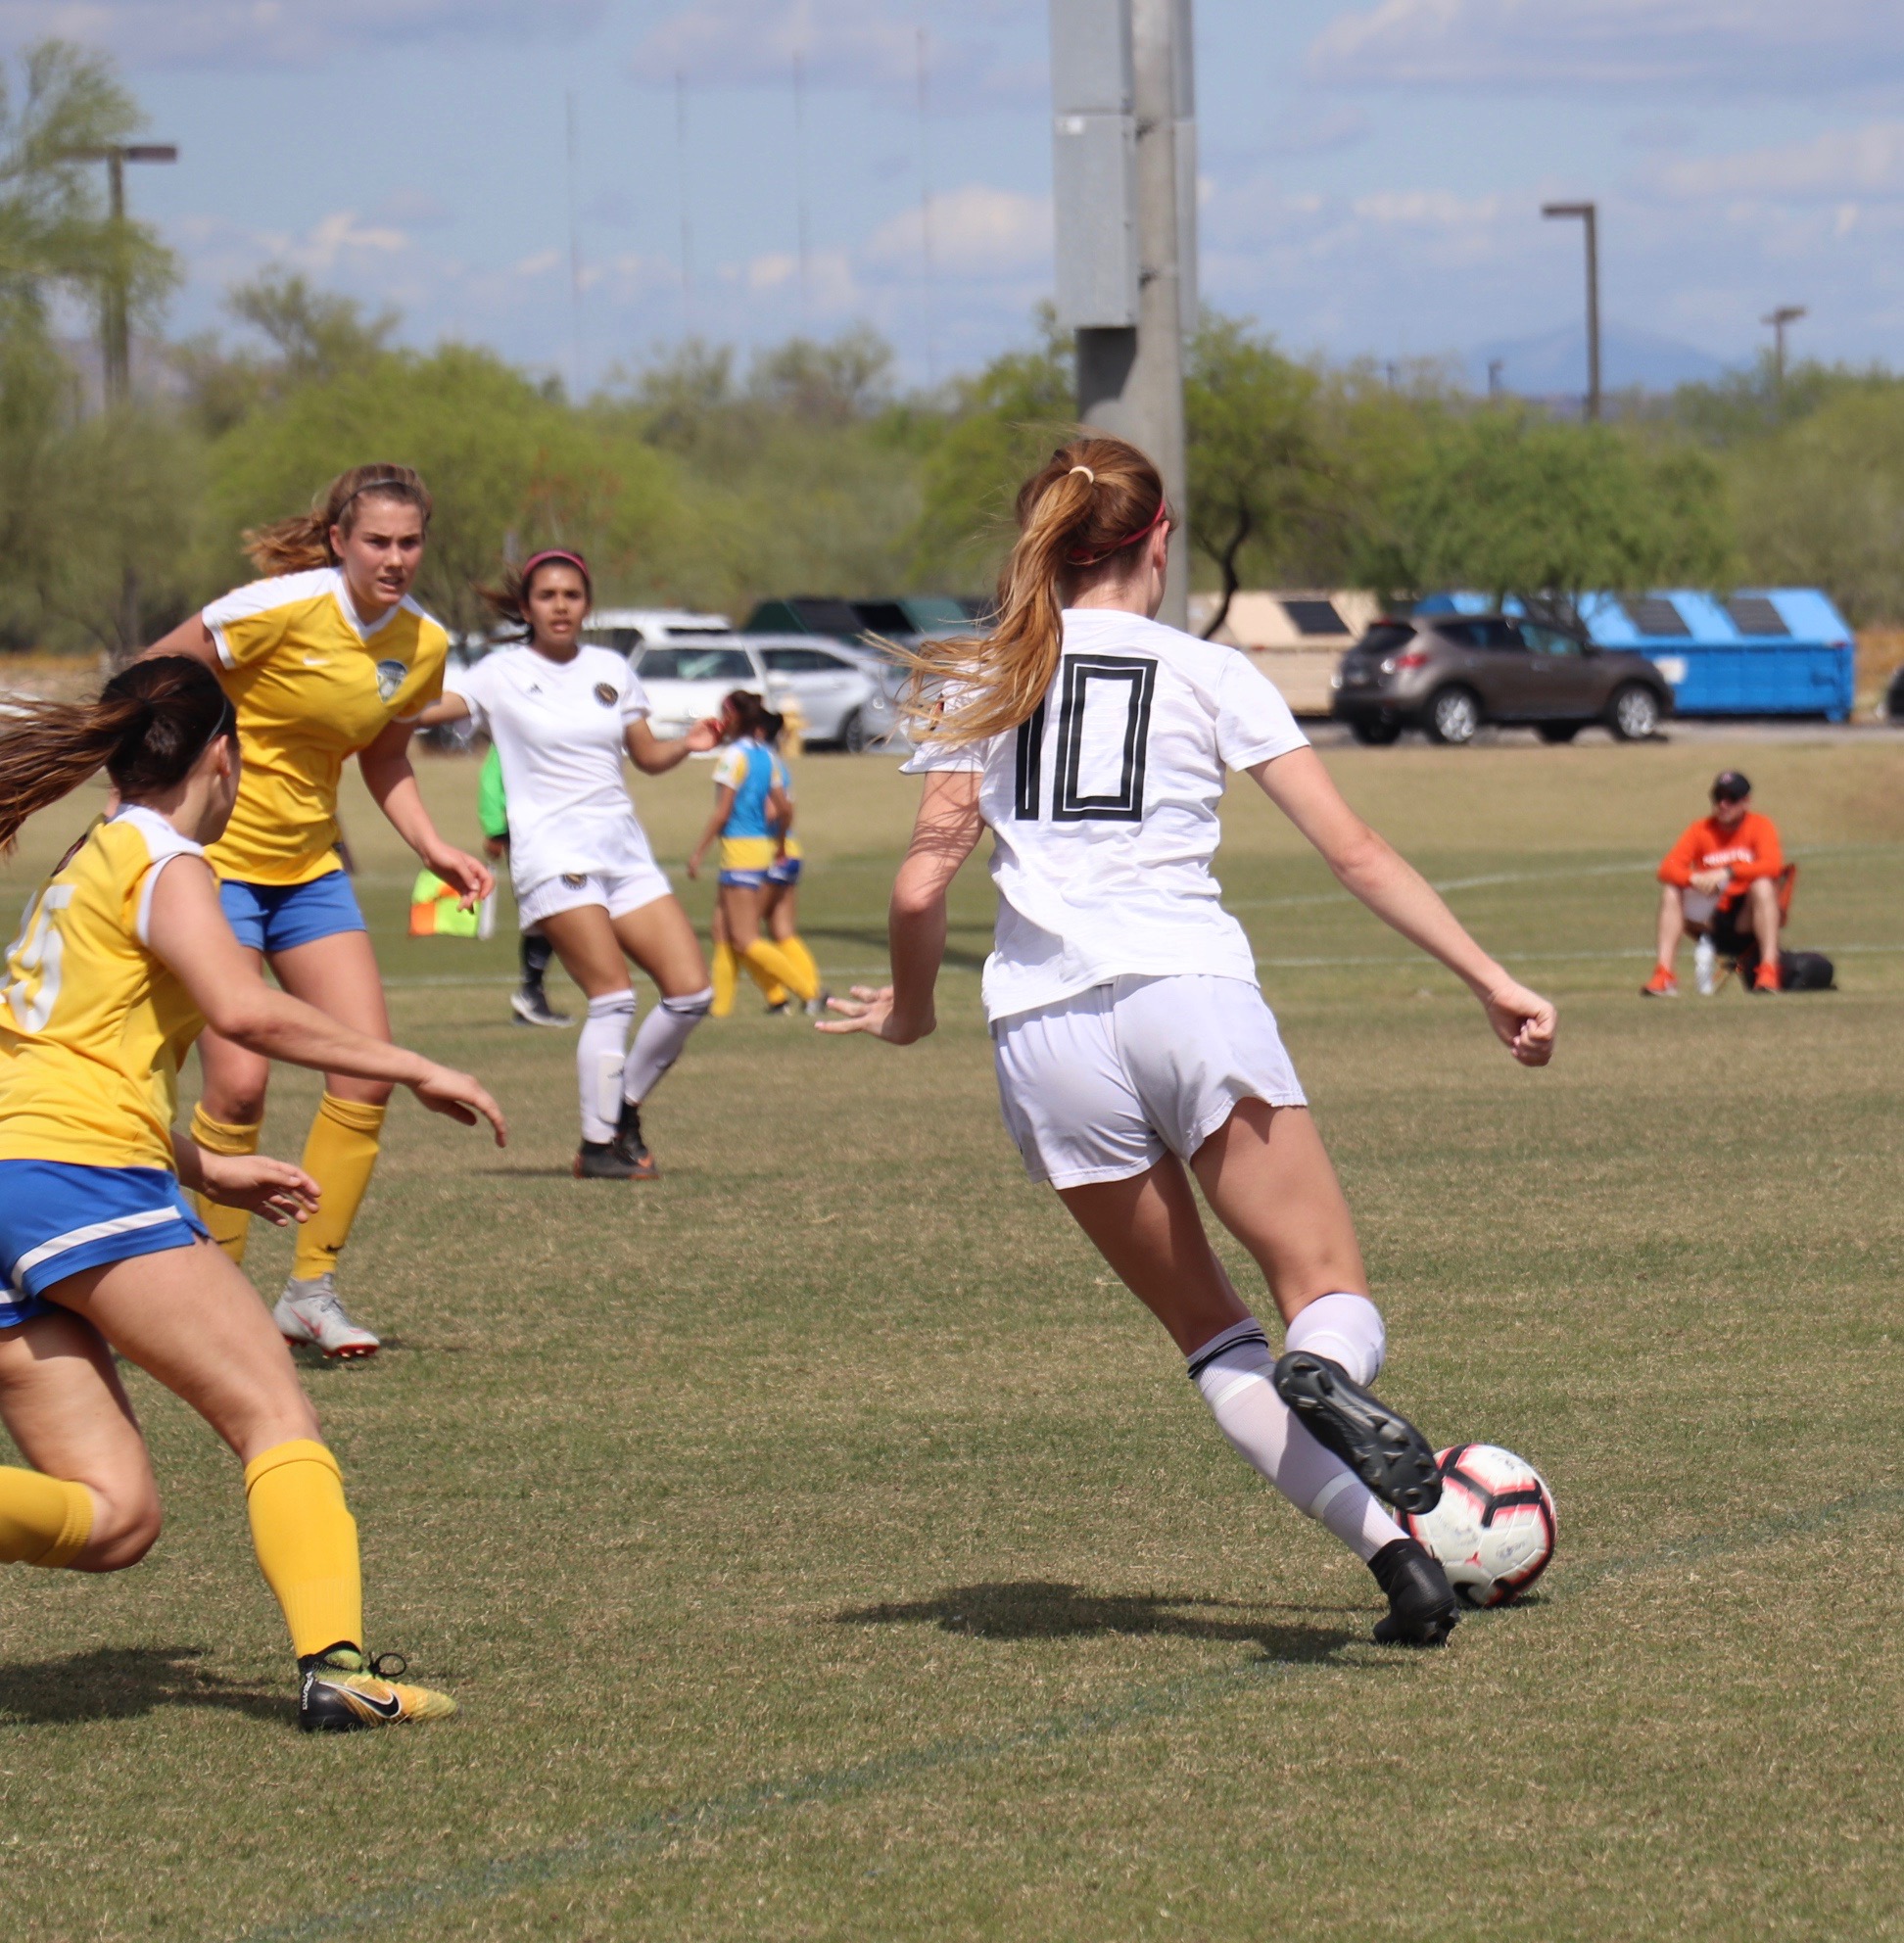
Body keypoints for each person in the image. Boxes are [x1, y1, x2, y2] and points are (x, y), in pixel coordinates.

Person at [820, 436, 1557, 1648]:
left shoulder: (986, 678)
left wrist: (910, 1010)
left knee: (1216, 1338)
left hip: (1043, 1030)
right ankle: (1328, 1371)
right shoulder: (1208, 672)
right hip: (1186, 991)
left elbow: (915, 892)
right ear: (1160, 538)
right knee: (1327, 1296)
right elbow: (1355, 850)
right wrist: (1488, 977)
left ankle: (1397, 1561)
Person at [0, 657, 506, 1730]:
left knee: (114, 1519)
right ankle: (337, 1666)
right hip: (69, 1176)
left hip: (31, 1170)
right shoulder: (166, 859)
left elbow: (68, 1056)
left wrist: (208, 1165)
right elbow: (244, 1008)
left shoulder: (92, 854)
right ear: (222, 757)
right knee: (273, 1409)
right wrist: (410, 1064)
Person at [143, 463, 494, 1359]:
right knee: (239, 1083)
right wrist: (164, 792)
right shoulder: (279, 605)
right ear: (339, 539)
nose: (396, 557)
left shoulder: (420, 643)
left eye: (410, 542)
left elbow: (383, 757)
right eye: (377, 540)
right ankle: (206, 1302)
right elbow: (153, 673)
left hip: (310, 873)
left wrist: (435, 847)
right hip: (212, 867)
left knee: (367, 1070)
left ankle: (309, 1292)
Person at [417, 548, 718, 1180]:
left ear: (587, 604)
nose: (561, 606)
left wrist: (686, 746)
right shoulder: (499, 673)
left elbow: (645, 755)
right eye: (548, 596)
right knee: (612, 997)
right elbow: (422, 709)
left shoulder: (610, 668)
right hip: (554, 854)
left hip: (623, 850)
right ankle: (597, 1144)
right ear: (526, 608)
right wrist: (369, 693)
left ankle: (622, 1108)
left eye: (572, 596)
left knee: (692, 992)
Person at [690, 691, 824, 1018]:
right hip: (762, 850)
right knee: (722, 931)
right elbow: (785, 808)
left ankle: (810, 993)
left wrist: (698, 853)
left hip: (739, 850)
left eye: (723, 714)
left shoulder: (733, 757)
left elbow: (723, 812)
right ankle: (720, 1009)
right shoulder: (767, 757)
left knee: (746, 938)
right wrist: (778, 845)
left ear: (734, 718)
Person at [1643, 770, 1785, 998]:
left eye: (1731, 799)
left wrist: (1728, 872)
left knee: (1763, 885)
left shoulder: (1760, 826)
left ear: (1746, 801)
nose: (1723, 804)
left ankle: (1769, 971)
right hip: (1711, 915)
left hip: (1745, 914)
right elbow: (1667, 868)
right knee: (1672, 890)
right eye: (1718, 798)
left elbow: (1773, 866)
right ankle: (1664, 974)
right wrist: (1693, 878)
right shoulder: (1700, 830)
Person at [478, 742, 571, 1028]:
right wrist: (495, 830)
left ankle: (532, 992)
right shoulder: (514, 724)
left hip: (561, 829)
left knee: (555, 910)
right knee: (547, 910)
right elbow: (491, 779)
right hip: (526, 833)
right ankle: (531, 992)